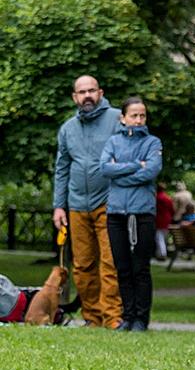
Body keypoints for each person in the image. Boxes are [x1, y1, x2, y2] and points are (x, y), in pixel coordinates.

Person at [53, 75, 123, 329]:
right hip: (76, 204)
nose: (87, 96)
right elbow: (61, 169)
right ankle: (92, 318)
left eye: (91, 90)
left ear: (101, 93)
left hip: (109, 202)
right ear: (75, 97)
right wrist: (58, 205)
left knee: (110, 261)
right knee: (82, 265)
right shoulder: (67, 128)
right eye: (82, 92)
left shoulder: (117, 119)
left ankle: (113, 317)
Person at [100, 97, 163, 332]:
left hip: (141, 213)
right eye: (134, 115)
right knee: (122, 267)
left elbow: (151, 171)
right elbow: (105, 168)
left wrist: (121, 172)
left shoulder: (152, 142)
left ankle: (140, 318)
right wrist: (137, 165)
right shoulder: (113, 142)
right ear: (123, 118)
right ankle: (126, 316)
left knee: (140, 268)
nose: (138, 120)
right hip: (116, 212)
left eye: (142, 115)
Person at [155, 183, 175, 260]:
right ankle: (161, 253)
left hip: (159, 219)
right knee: (163, 237)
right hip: (167, 219)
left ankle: (162, 253)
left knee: (159, 237)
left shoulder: (157, 198)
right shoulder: (167, 198)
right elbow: (172, 209)